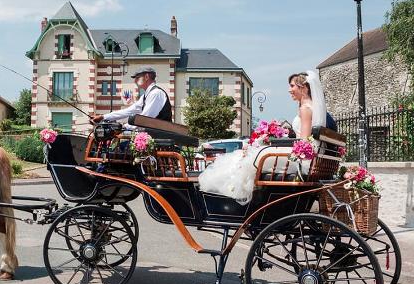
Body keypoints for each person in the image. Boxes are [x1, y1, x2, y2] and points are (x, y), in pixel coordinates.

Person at [198, 70, 327, 204]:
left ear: (304, 87)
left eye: (292, 86)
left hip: (302, 159)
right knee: (251, 155)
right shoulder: (311, 107)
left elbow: (304, 141)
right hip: (309, 158)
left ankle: (232, 198)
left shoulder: (305, 109)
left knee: (249, 158)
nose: (290, 90)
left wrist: (277, 143)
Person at [90, 66, 172, 124]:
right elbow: (129, 111)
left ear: (146, 77)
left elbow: (145, 118)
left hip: (162, 136)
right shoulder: (146, 95)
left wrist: (124, 127)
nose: (135, 81)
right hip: (153, 135)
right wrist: (103, 117)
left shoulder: (156, 93)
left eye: (137, 78)